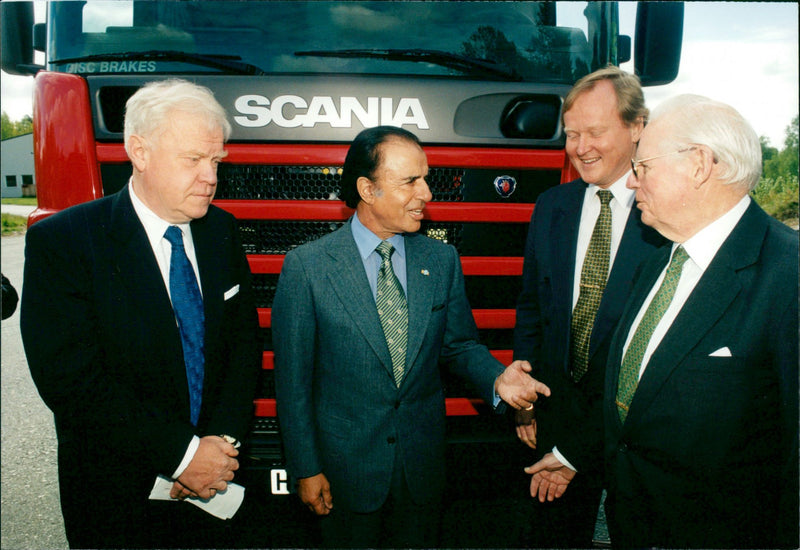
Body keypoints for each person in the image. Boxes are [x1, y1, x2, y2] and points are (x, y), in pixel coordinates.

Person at [272, 125, 551, 548]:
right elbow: (292, 384)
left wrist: (497, 378)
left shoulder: (440, 259)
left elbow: (459, 345)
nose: (427, 193)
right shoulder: (308, 267)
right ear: (367, 188)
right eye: (410, 182)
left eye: (425, 178)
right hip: (344, 473)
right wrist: (306, 469)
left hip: (421, 470)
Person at [20, 79, 262, 549]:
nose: (210, 177)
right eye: (193, 159)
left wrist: (219, 452)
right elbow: (71, 382)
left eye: (215, 161)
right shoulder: (65, 243)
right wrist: (181, 456)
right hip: (116, 494)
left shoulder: (221, 233)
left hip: (217, 484)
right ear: (139, 151)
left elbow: (242, 351)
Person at [550, 94, 795, 548]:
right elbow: (634, 389)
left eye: (642, 168)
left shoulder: (788, 278)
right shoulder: (658, 264)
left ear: (700, 164)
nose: (629, 183)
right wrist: (573, 454)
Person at [513, 66, 666, 547]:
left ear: (637, 125)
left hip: (627, 439)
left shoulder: (666, 217)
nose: (581, 148)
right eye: (572, 134)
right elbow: (532, 312)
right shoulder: (551, 206)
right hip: (550, 430)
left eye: (596, 132)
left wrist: (577, 450)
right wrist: (526, 406)